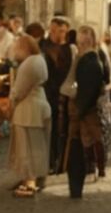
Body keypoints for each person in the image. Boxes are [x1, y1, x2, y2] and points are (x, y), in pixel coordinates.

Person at [63, 25, 106, 199]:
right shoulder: (87, 59)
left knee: (80, 148)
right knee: (85, 146)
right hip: (84, 110)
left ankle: (77, 187)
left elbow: (87, 90)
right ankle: (88, 174)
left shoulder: (90, 61)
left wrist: (78, 111)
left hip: (83, 112)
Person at [7, 34, 51, 198]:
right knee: (37, 146)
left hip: (28, 110)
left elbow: (19, 91)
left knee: (27, 148)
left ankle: (29, 182)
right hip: (39, 105)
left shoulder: (28, 63)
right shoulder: (40, 60)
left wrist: (11, 102)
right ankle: (34, 180)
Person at [41, 16, 72, 173]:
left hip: (64, 94)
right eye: (52, 30)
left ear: (65, 31)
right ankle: (51, 160)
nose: (55, 34)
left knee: (63, 129)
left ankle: (62, 161)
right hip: (48, 94)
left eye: (59, 31)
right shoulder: (43, 47)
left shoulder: (69, 49)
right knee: (50, 129)